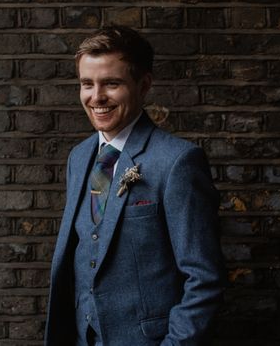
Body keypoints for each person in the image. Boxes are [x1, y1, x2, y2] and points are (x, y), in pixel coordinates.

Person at [45, 26, 225, 346]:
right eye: (87, 84)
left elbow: (204, 280)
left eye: (111, 84)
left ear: (143, 86)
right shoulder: (80, 157)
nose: (96, 97)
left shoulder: (178, 161)